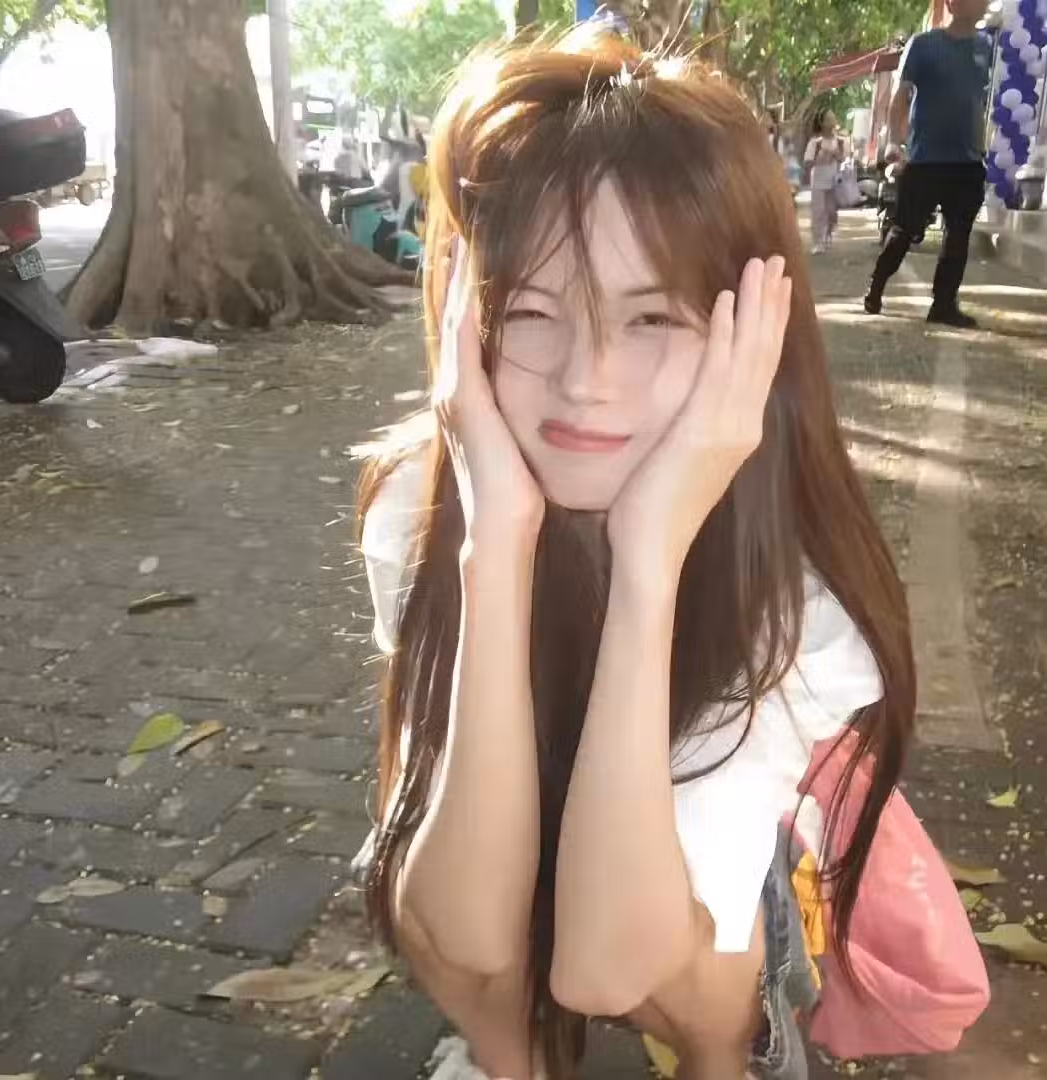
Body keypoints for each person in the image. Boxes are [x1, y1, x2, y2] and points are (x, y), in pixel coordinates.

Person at [354, 27, 941, 1080]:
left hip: (684, 915)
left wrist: (649, 562)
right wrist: (494, 544)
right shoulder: (418, 500)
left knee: (703, 980)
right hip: (510, 835)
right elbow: (464, 929)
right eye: (530, 310)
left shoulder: (798, 597)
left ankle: (729, 1062)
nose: (587, 380)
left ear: (749, 334)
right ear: (463, 318)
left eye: (652, 318)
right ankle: (510, 1061)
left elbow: (606, 969)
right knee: (432, 906)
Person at [864, 0, 992, 327]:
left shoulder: (985, 47)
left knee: (958, 235)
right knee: (905, 230)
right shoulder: (923, 45)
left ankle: (943, 304)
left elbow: (979, 100)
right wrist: (895, 144)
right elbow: (900, 97)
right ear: (952, 3)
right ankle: (876, 286)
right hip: (925, 160)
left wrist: (982, 148)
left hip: (967, 162)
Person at [802, 109, 846, 254]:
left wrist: (835, 155)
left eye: (833, 118)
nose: (832, 121)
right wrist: (819, 158)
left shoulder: (840, 141)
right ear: (821, 122)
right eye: (828, 119)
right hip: (818, 181)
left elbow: (844, 160)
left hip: (835, 182)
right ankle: (818, 242)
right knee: (818, 213)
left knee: (832, 212)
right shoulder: (815, 142)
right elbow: (807, 162)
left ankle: (828, 234)